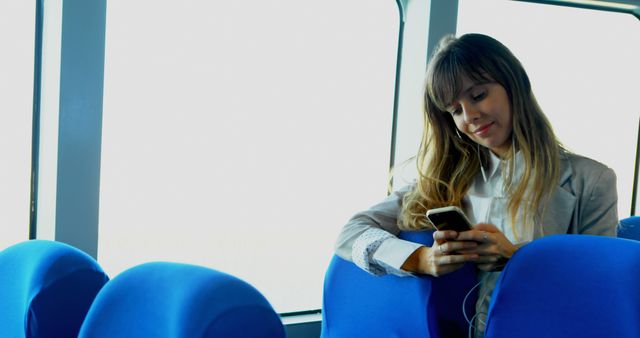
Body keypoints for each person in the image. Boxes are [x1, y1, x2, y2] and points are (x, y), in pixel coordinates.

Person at [334, 33, 618, 337]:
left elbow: (599, 286)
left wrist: (515, 259)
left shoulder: (592, 181)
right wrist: (421, 259)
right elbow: (351, 234)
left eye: (478, 95)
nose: (470, 116)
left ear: (513, 83)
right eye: (455, 110)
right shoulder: (444, 180)